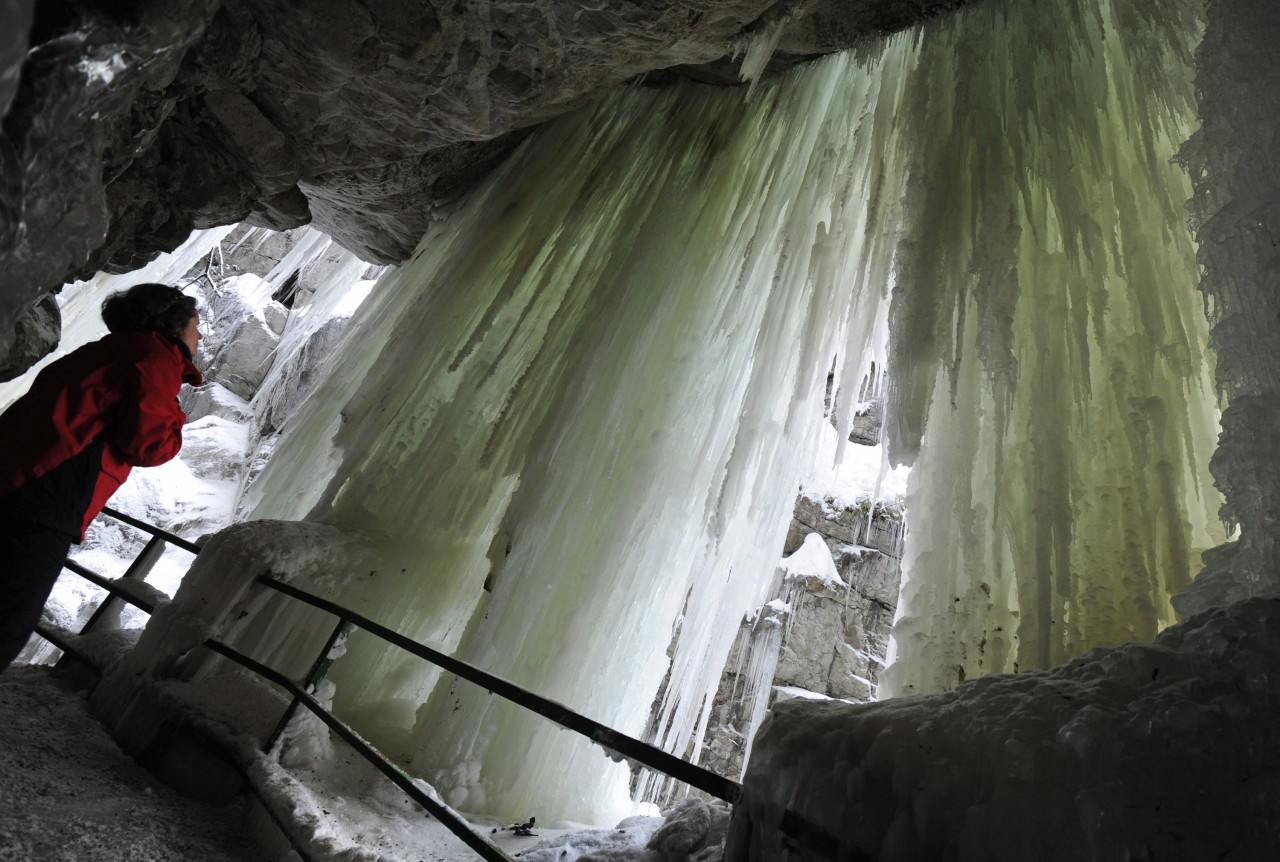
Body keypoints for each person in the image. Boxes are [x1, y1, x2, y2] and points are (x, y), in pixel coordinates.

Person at [0, 283, 203, 671]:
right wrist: (178, 415)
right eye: (195, 324)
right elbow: (149, 445)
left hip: (18, 478)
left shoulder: (104, 351)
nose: (200, 334)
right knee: (9, 617)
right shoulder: (153, 359)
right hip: (49, 495)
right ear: (173, 326)